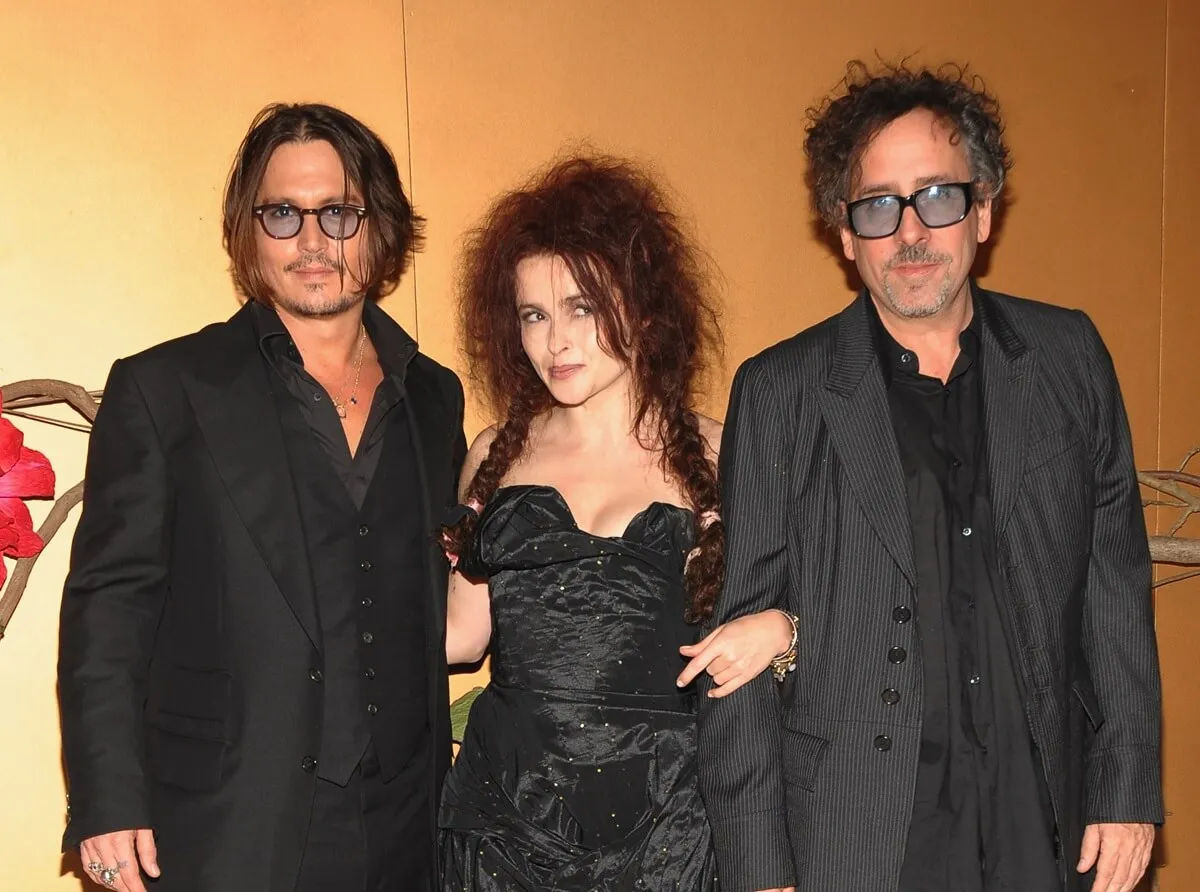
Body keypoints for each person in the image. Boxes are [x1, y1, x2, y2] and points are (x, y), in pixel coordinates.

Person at [698, 62, 1163, 892]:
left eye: (937, 197)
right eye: (878, 205)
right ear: (844, 233)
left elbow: (1114, 588)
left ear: (983, 209)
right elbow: (736, 658)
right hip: (859, 832)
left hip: (1041, 819)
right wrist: (759, 870)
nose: (909, 231)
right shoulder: (779, 394)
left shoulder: (1070, 359)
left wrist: (1126, 791)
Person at [58, 103, 464, 892]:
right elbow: (109, 608)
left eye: (338, 213)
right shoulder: (164, 388)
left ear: (379, 229)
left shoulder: (435, 397)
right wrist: (107, 798)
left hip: (407, 827)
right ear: (249, 231)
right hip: (229, 822)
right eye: (283, 213)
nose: (312, 242)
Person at [436, 155, 796, 890]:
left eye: (581, 307)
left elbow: (808, 606)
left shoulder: (723, 451)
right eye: (534, 315)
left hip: (667, 825)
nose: (555, 342)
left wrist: (786, 629)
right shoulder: (492, 456)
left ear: (643, 307)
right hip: (506, 821)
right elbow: (460, 639)